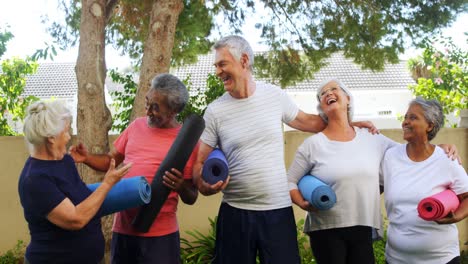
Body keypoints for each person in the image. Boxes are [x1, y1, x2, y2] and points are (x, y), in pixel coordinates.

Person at [193, 36, 376, 264]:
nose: (218, 71)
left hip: (277, 211)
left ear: (244, 60)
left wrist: (348, 124)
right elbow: (199, 165)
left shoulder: (274, 96)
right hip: (235, 212)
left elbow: (310, 122)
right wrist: (205, 186)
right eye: (216, 66)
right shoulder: (215, 111)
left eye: (222, 64)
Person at [287, 80, 459, 264]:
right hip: (325, 228)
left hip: (363, 227)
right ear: (321, 106)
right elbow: (290, 182)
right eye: (322, 93)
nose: (327, 93)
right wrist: (303, 203)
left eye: (333, 89)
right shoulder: (313, 145)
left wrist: (438, 148)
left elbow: (411, 152)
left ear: (348, 99)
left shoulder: (372, 138)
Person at [69, 73, 198, 264]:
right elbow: (110, 162)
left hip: (160, 236)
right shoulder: (136, 126)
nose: (147, 111)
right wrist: (86, 158)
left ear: (173, 110)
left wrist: (180, 185)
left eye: (155, 108)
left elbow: (192, 196)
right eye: (147, 103)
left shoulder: (185, 142)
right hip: (124, 231)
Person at [18, 100, 132, 263]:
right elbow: (75, 219)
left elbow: (81, 198)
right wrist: (107, 184)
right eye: (66, 131)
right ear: (51, 138)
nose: (69, 137)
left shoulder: (65, 161)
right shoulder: (34, 179)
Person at [382, 97, 468, 264]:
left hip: (441, 259)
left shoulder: (446, 159)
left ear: (430, 125)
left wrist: (455, 217)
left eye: (413, 117)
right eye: (405, 117)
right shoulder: (390, 157)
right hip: (396, 259)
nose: (405, 122)